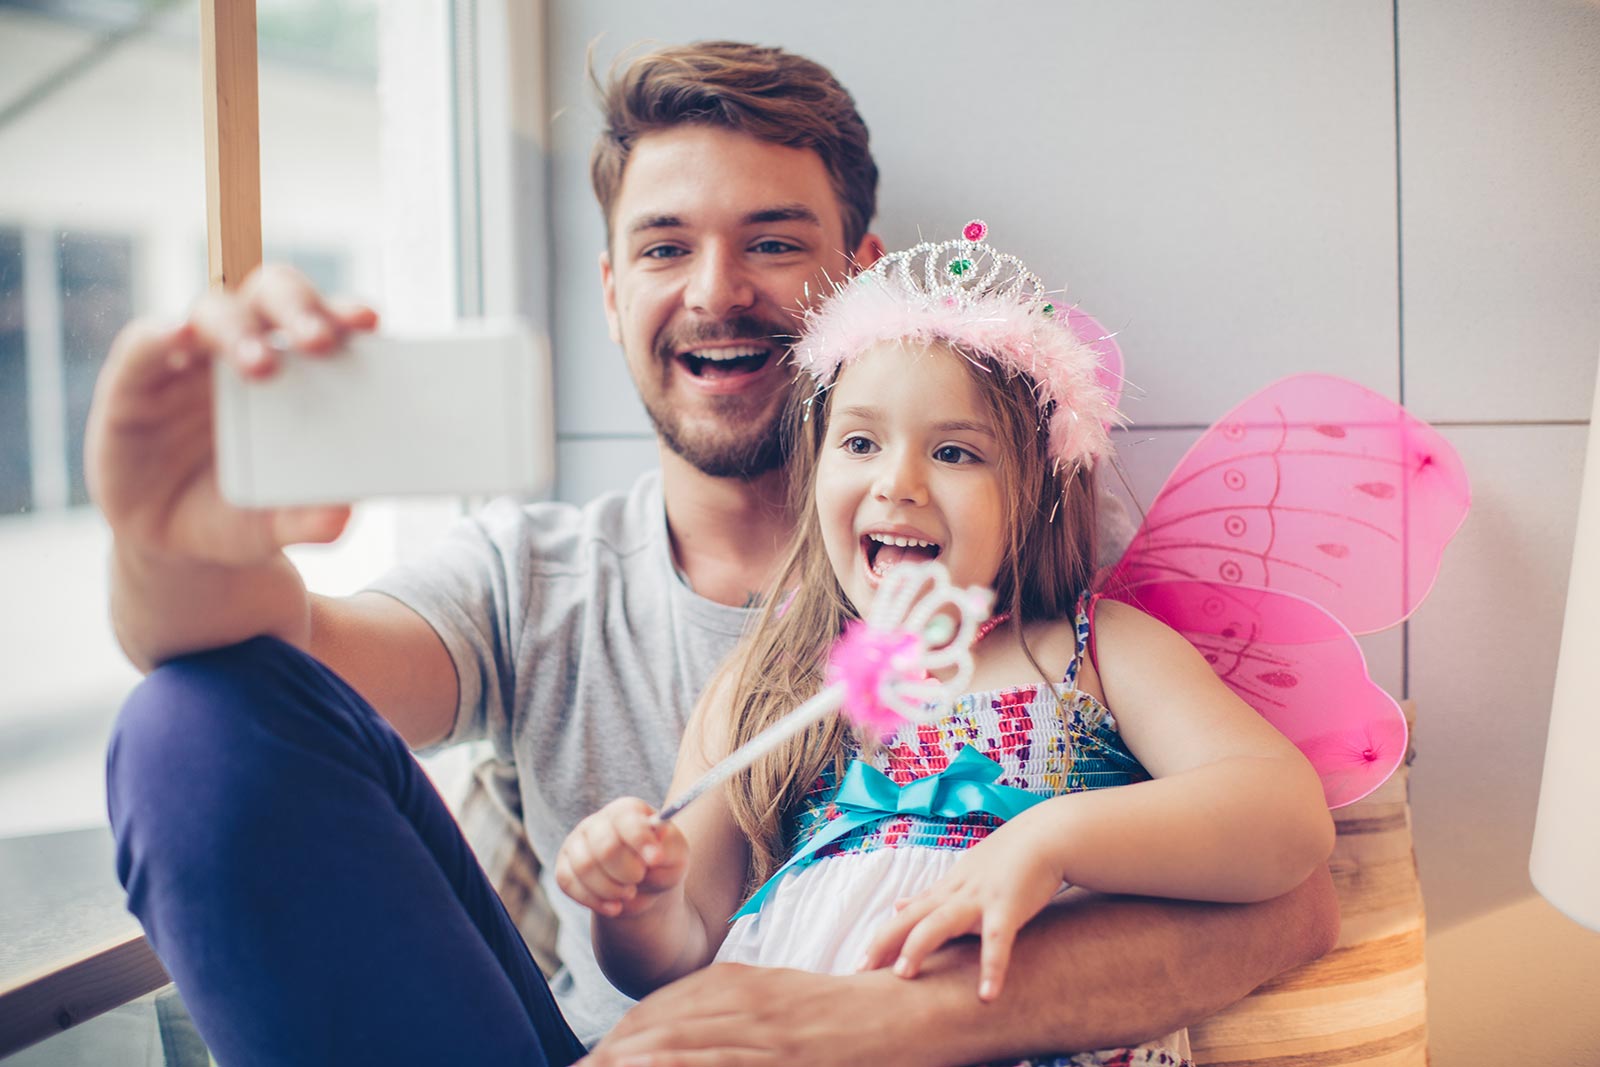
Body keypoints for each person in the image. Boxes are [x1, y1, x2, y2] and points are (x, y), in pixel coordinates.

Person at [91, 40, 1338, 1067]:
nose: (714, 289)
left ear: (858, 285)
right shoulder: (545, 586)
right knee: (183, 721)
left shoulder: (1069, 636)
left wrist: (887, 1015)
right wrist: (177, 537)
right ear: (611, 283)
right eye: (665, 244)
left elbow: (1288, 873)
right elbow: (264, 676)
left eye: (773, 241)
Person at [553, 230, 1337, 1067]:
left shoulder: (1093, 650)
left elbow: (1286, 818)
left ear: (1035, 491)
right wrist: (634, 901)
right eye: (859, 443)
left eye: (955, 451)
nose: (898, 482)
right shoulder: (768, 681)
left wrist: (1052, 839)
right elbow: (678, 953)